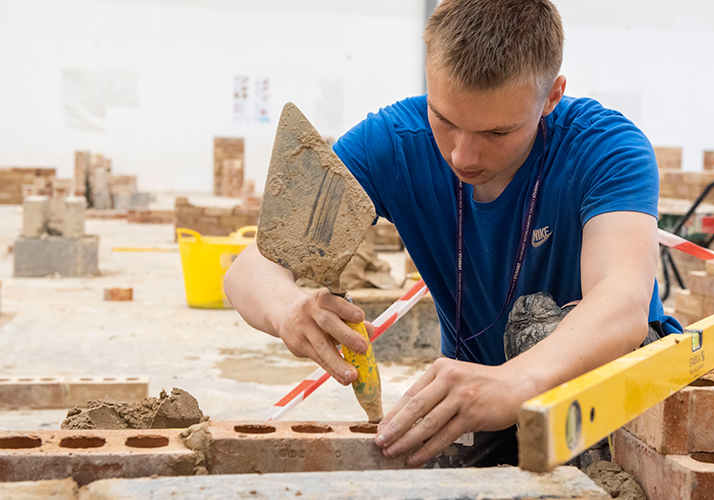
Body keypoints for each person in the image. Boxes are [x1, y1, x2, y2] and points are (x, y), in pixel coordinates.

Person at [224, 0, 681, 468]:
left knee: (535, 324)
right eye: (445, 120)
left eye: (497, 133)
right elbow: (249, 269)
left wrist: (514, 382)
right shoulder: (395, 142)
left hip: (598, 393)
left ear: (551, 97)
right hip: (481, 397)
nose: (463, 155)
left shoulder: (606, 149)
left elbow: (622, 298)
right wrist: (286, 310)